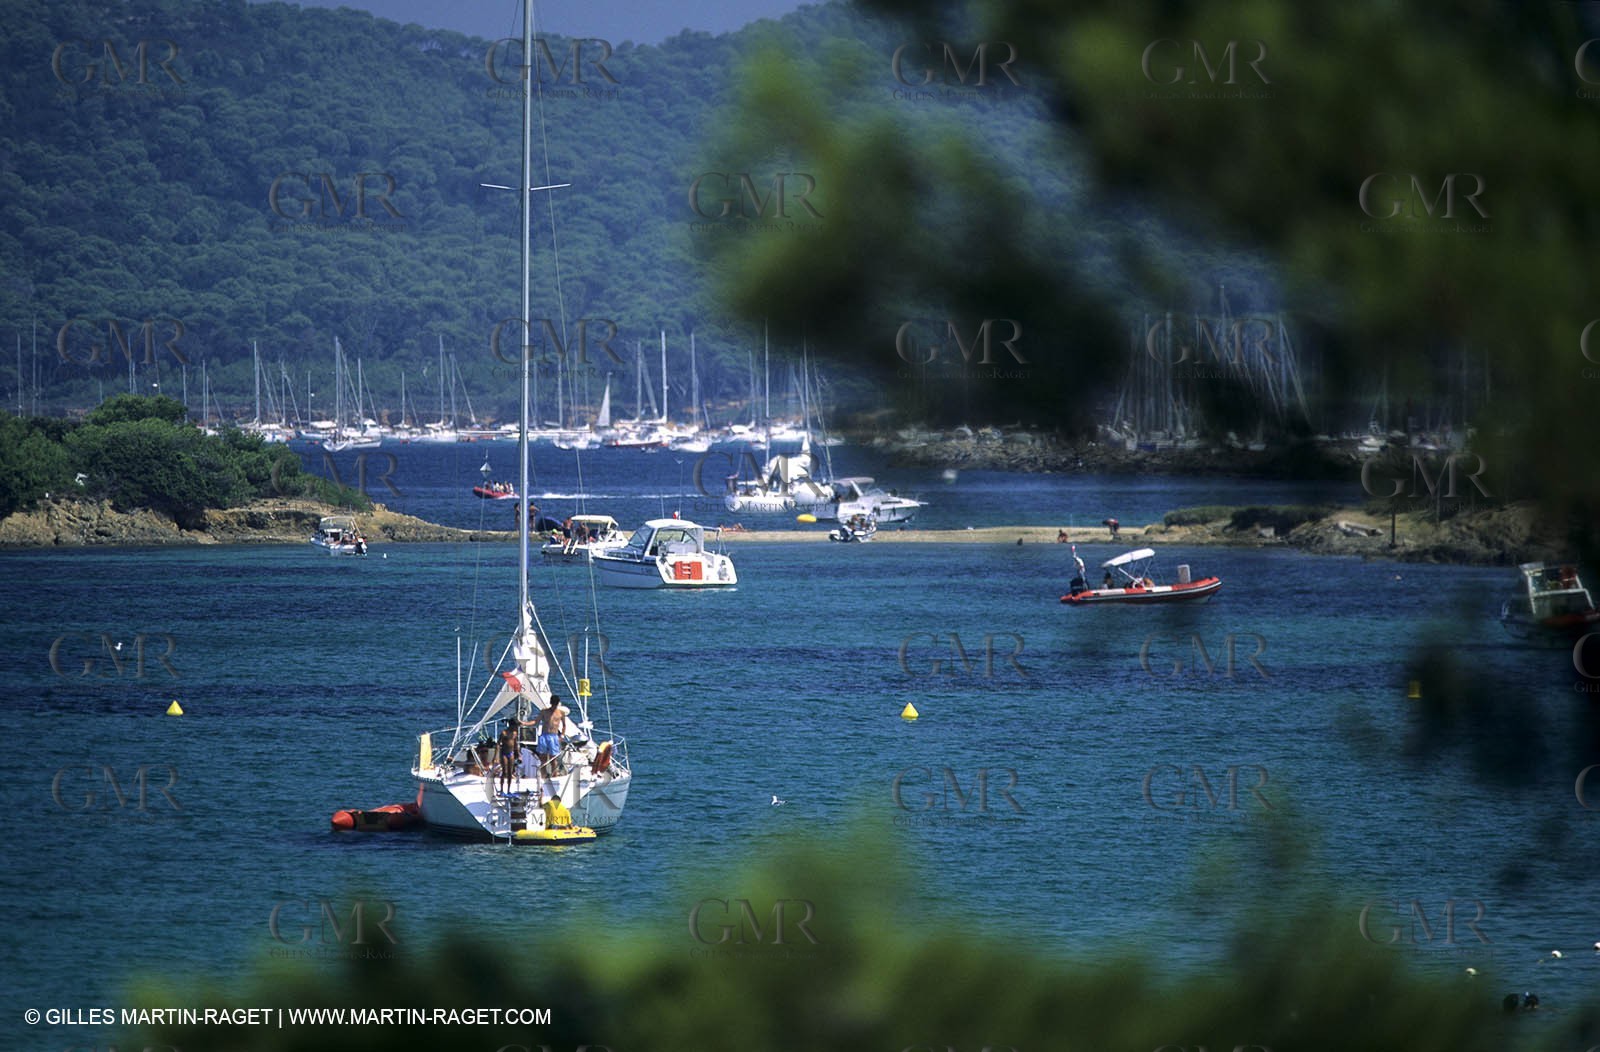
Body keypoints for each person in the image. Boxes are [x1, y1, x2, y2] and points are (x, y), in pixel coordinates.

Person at [536, 695, 569, 776]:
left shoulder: (561, 713)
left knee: (553, 759)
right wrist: (524, 723)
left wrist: (562, 735)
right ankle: (543, 775)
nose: (553, 706)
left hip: (554, 736)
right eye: (553, 704)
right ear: (550, 703)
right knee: (543, 758)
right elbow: (536, 721)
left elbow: (564, 725)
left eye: (555, 704)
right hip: (544, 736)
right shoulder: (544, 711)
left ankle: (555, 775)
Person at [496, 721, 519, 793]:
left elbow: (515, 744)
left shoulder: (515, 734)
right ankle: (502, 789)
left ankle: (508, 790)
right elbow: (498, 744)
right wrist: (496, 755)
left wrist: (517, 753)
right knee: (504, 772)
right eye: (514, 726)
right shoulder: (504, 733)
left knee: (510, 772)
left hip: (511, 753)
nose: (515, 728)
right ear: (511, 726)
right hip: (504, 753)